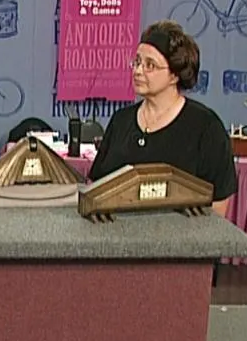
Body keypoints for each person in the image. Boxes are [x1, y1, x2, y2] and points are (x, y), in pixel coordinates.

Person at [87, 19, 237, 216]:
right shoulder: (121, 121)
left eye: (150, 65)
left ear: (175, 75)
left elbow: (218, 206)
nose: (138, 71)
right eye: (137, 62)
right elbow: (96, 187)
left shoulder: (206, 127)